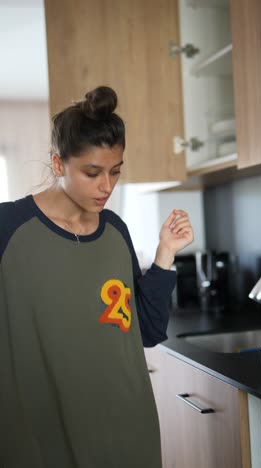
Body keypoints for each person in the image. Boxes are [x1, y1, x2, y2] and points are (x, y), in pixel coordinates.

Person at [0, 86, 194, 468]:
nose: (107, 186)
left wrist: (165, 255)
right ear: (59, 165)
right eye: (92, 173)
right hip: (38, 439)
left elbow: (148, 330)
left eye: (115, 172)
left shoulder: (115, 231)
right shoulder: (9, 228)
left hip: (127, 433)